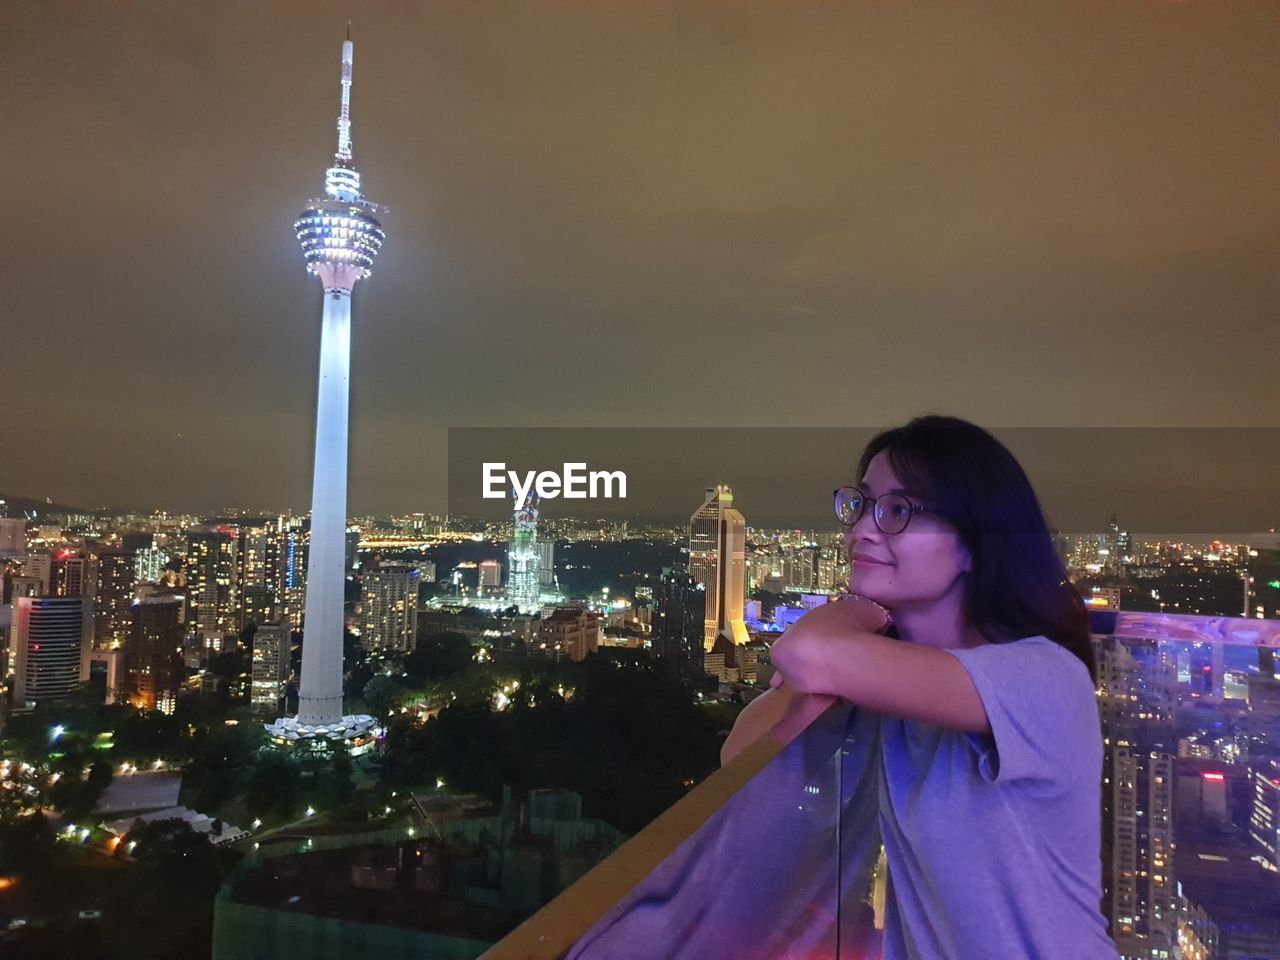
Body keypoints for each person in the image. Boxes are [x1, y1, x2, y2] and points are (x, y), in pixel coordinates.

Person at [754, 414, 1119, 960]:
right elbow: (741, 755)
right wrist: (837, 654)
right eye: (862, 505)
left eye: (898, 511)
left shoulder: (1042, 678)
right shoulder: (895, 692)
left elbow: (805, 653)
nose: (861, 531)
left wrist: (850, 618)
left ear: (974, 542)